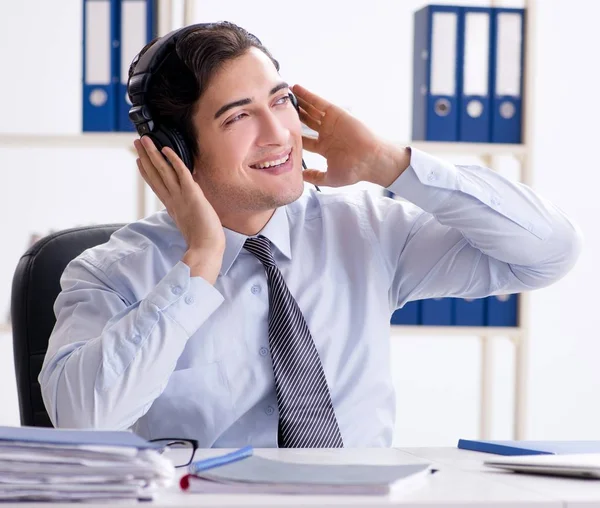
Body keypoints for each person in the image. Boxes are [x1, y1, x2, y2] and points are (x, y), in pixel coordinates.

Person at [39, 21, 582, 448]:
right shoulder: (110, 272)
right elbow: (82, 420)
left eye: (281, 101)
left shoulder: (366, 230)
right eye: (238, 117)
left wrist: (390, 164)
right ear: (174, 151)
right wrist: (200, 264)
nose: (281, 135)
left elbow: (547, 253)